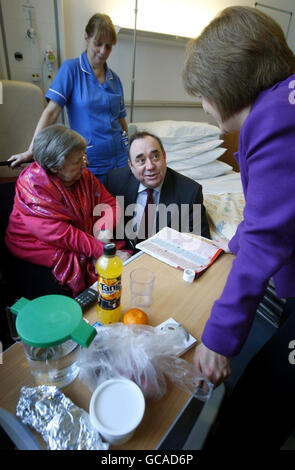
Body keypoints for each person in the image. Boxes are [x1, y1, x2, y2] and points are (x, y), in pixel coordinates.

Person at [182, 6, 295, 447]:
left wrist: (218, 336)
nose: (204, 107)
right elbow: (275, 208)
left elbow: (268, 235)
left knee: (256, 406)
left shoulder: (273, 119)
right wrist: (233, 243)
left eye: (204, 96)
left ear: (227, 84)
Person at [5, 124, 126, 299]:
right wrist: (102, 250)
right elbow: (64, 235)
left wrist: (103, 228)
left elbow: (110, 204)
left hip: (80, 238)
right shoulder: (32, 189)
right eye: (77, 160)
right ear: (55, 168)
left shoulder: (83, 176)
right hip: (37, 247)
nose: (86, 163)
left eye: (84, 155)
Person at [9, 13, 128, 184]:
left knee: (120, 207)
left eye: (108, 46)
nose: (103, 51)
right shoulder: (71, 70)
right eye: (98, 43)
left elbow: (122, 122)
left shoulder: (114, 79)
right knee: (95, 209)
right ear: (86, 38)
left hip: (121, 161)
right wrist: (32, 150)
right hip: (91, 162)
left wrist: (130, 150)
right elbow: (51, 112)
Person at [104, 131, 210, 249]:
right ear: (131, 166)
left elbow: (201, 244)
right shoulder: (114, 181)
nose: (150, 166)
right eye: (141, 160)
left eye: (155, 157)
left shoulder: (190, 192)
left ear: (164, 157)